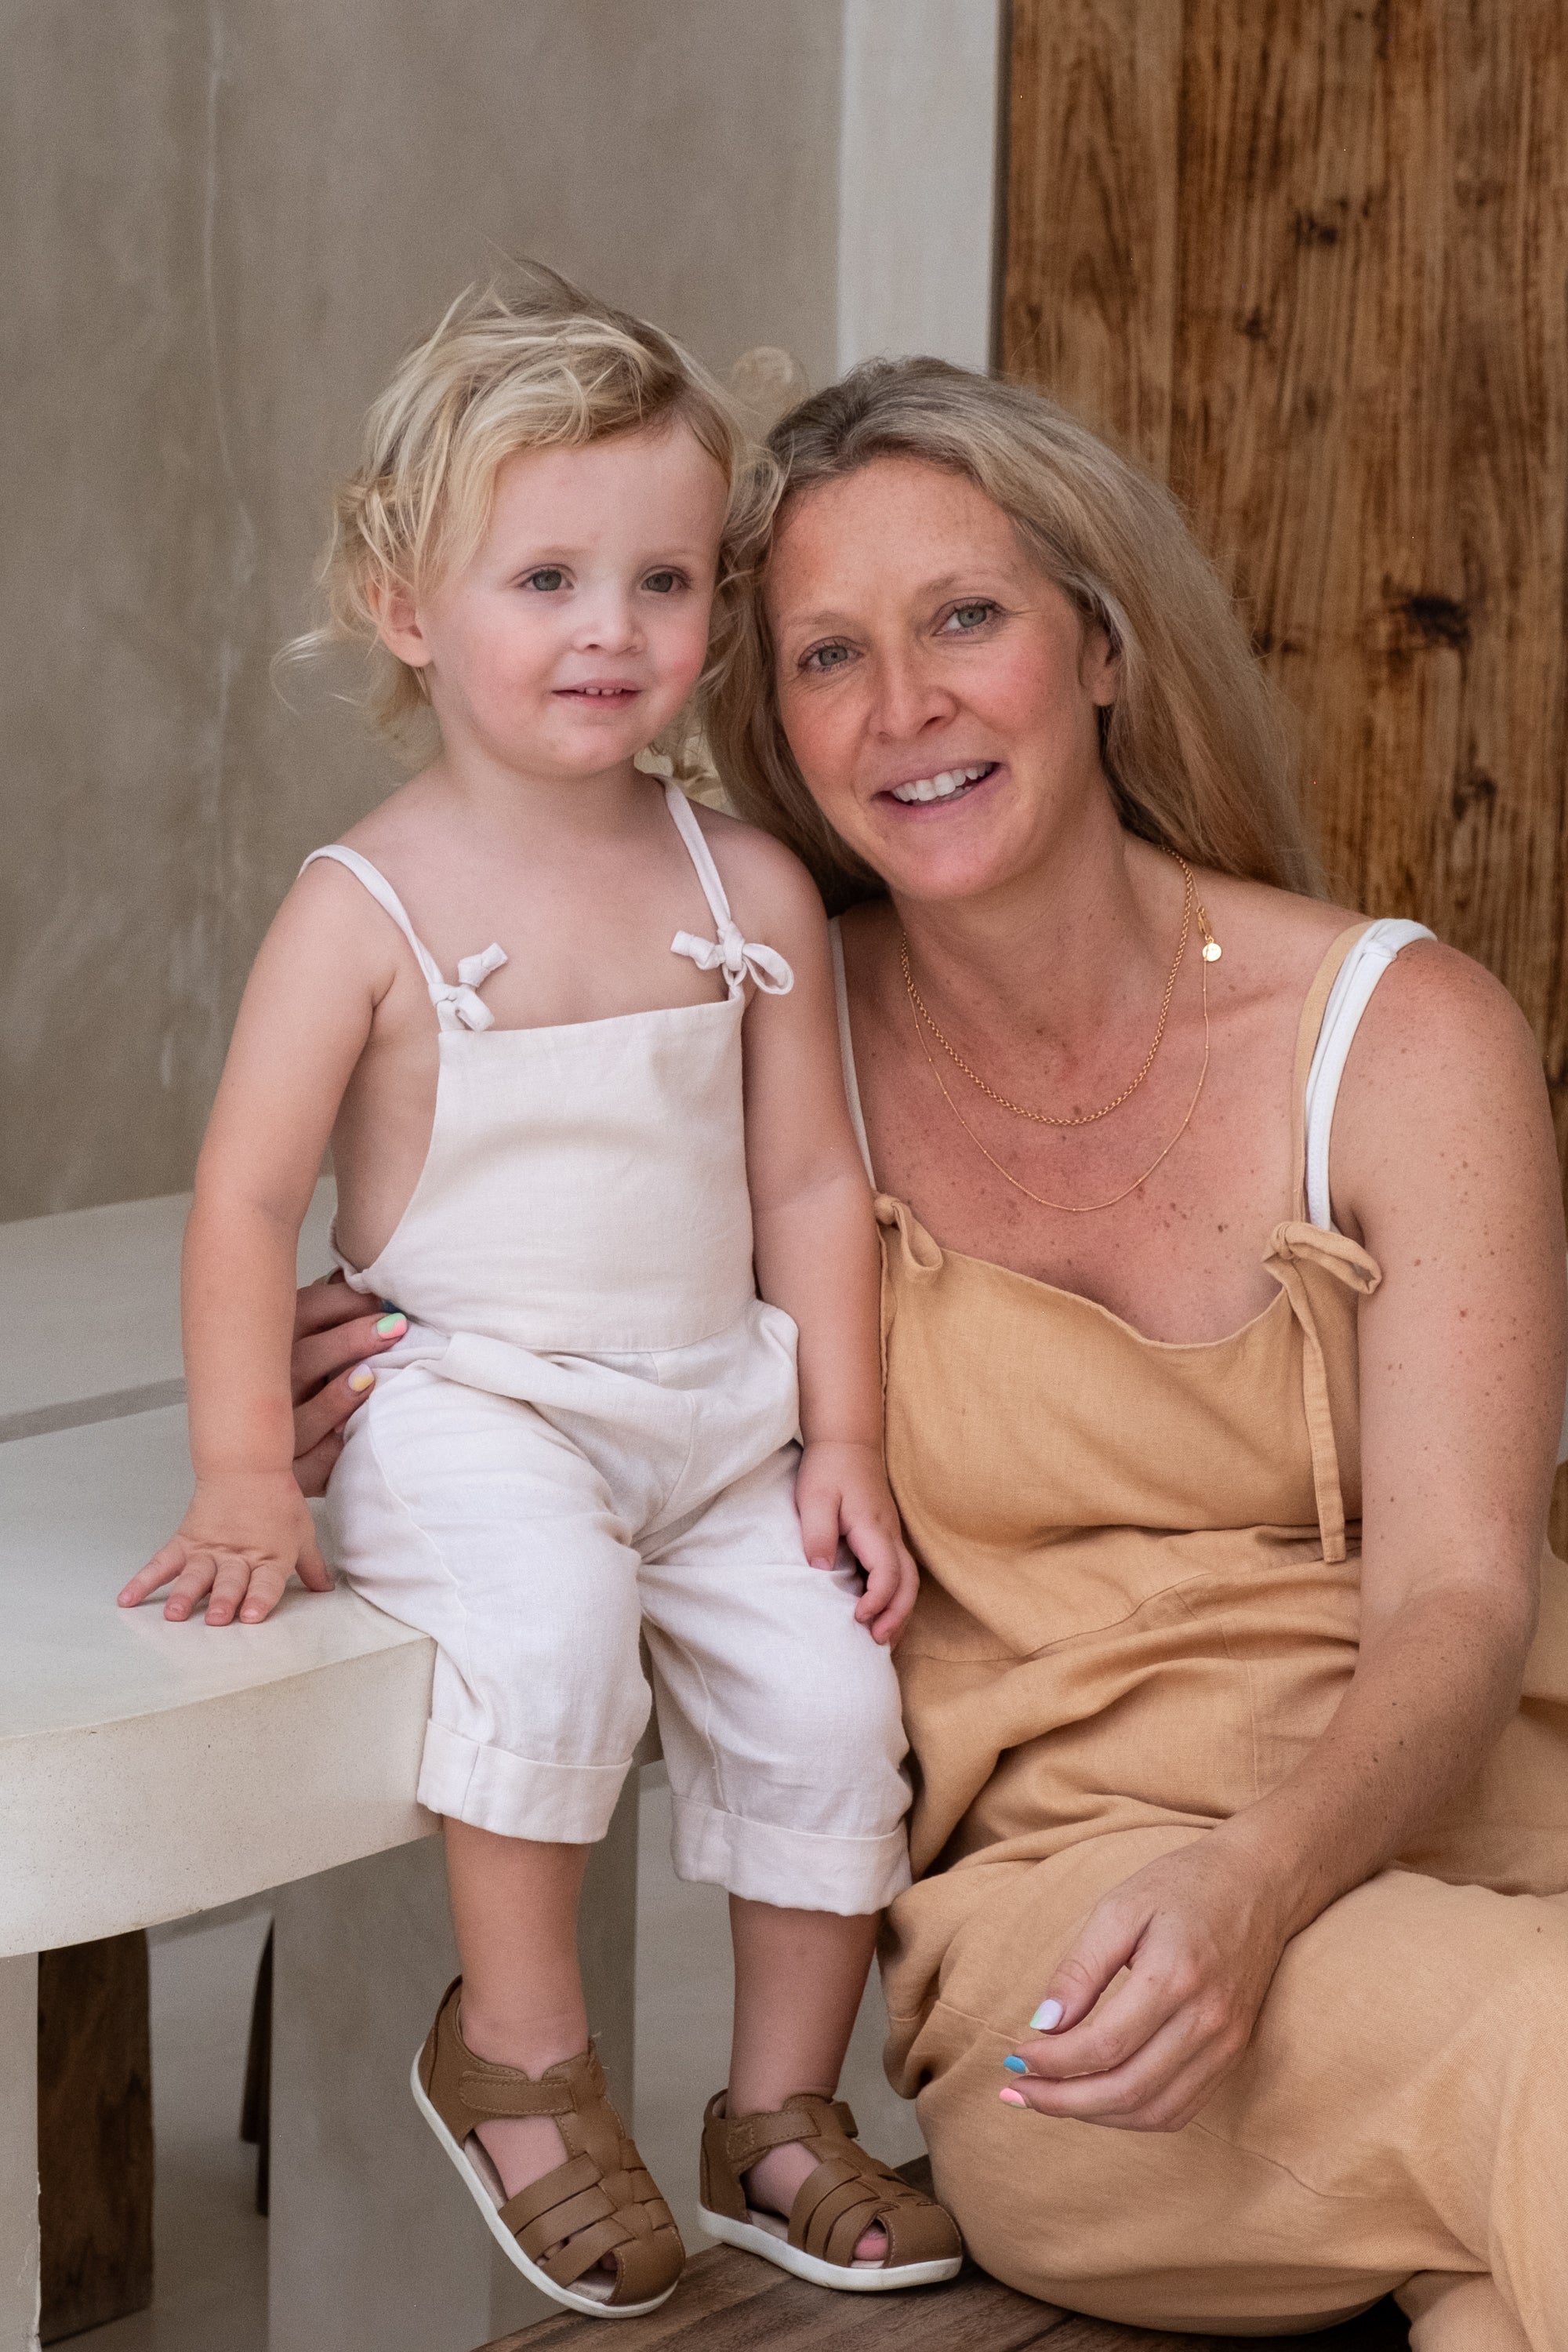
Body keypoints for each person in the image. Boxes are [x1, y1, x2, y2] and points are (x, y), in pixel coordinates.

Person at [294, 353, 1568, 2347]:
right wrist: (365, 1371)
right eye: (823, 657)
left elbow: (1469, 1595)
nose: (903, 710)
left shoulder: (1399, 1038)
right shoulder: (744, 1053)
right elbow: (506, 1296)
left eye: (963, 617)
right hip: (1098, 1960)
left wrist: (1267, 1877)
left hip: (1479, 1842)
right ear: (771, 722)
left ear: (1103, 644)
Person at [115, 272, 961, 2318]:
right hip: (471, 1402)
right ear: (409, 603)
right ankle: (521, 2055)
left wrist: (838, 1435)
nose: (611, 629)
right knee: (554, 1633)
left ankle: (776, 2111)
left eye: (661, 579)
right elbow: (242, 1204)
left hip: (713, 1408)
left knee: (840, 1699)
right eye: (547, 575)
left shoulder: (744, 885)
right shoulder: (369, 903)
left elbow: (812, 1177)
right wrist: (250, 1472)